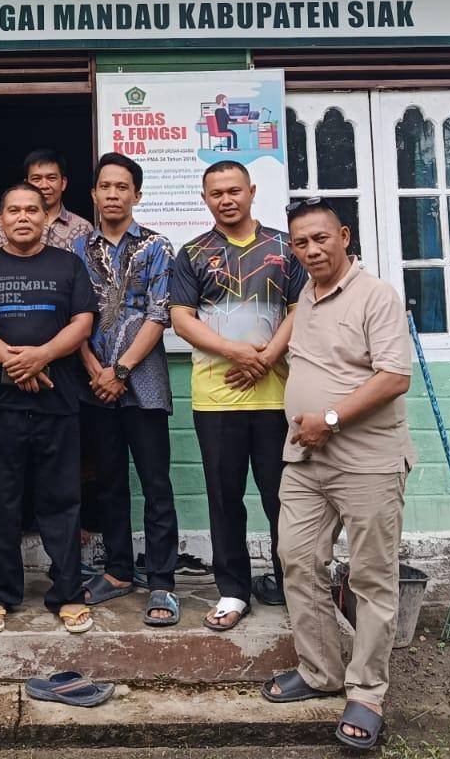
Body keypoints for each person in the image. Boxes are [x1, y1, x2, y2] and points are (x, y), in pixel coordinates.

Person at [262, 198, 414, 754]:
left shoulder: (377, 296)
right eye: (300, 243)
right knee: (298, 558)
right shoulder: (305, 295)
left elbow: (394, 376)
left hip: (367, 459)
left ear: (343, 236)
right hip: (305, 457)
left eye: (321, 238)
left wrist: (328, 417)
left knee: (373, 577)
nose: (312, 250)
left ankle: (367, 693)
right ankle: (321, 669)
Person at [170, 160, 303, 632]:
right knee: (224, 498)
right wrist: (234, 353)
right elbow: (181, 318)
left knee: (282, 498)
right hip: (216, 397)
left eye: (234, 191)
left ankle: (294, 585)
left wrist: (265, 360)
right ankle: (233, 590)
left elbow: (299, 309)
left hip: (277, 396)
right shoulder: (191, 253)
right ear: (205, 199)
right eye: (216, 193)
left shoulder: (285, 248)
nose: (226, 200)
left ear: (251, 191)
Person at [0, 183, 96, 633]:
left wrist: (42, 357)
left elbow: (82, 321)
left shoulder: (68, 264)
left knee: (60, 499)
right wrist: (15, 361)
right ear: (0, 219)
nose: (23, 217)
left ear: (45, 217)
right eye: (14, 210)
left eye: (32, 210)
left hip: (57, 401)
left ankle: (67, 591)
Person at [72, 152, 182, 627]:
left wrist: (120, 371)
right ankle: (118, 571)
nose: (113, 194)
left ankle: (161, 581)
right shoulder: (77, 249)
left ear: (136, 194)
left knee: (156, 484)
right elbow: (74, 317)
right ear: (93, 194)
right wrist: (97, 369)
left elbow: (161, 314)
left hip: (145, 384)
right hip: (94, 382)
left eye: (122, 187)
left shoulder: (159, 247)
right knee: (110, 482)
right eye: (105, 186)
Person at [0, 147, 93, 251]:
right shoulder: (10, 226)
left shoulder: (82, 228)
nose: (44, 185)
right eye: (37, 179)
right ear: (26, 184)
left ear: (63, 183)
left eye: (51, 178)